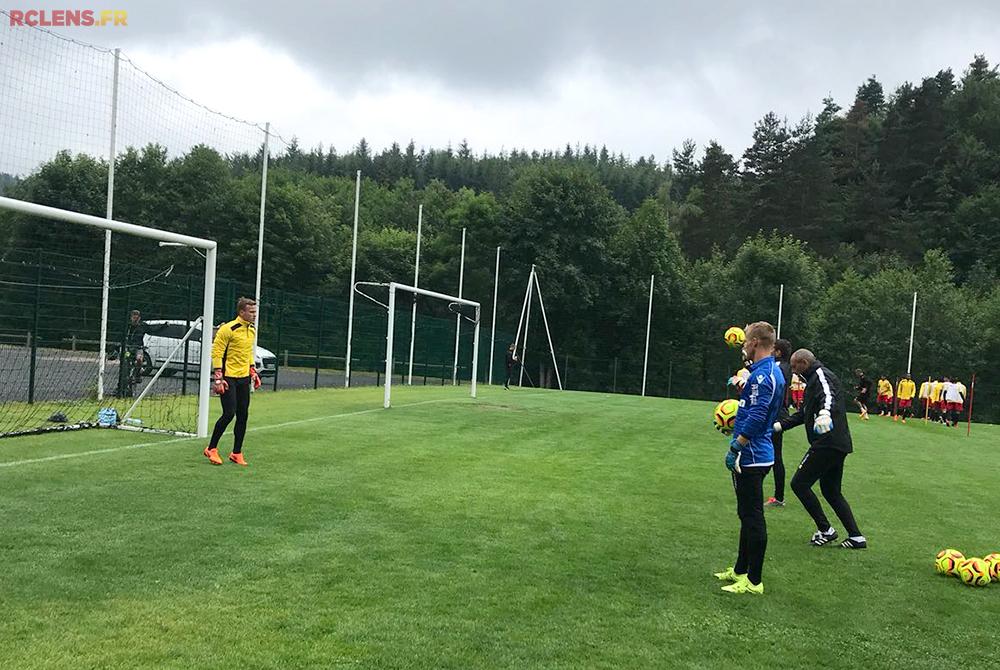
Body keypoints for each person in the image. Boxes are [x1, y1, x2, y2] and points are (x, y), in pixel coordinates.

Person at [714, 321, 785, 595]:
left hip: (752, 455)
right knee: (746, 514)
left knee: (753, 517)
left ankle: (754, 581)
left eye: (745, 341)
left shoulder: (764, 376)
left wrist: (737, 446)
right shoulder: (763, 372)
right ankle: (740, 570)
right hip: (754, 453)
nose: (743, 345)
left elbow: (757, 416)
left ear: (755, 343)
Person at [774, 349, 867, 549]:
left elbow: (828, 396)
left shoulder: (821, 375)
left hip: (827, 443)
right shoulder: (811, 381)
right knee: (831, 491)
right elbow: (804, 414)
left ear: (804, 363)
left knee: (799, 484)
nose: (793, 370)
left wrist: (825, 413)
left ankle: (826, 530)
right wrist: (778, 426)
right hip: (837, 444)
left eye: (795, 366)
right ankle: (856, 537)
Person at [204, 297, 261, 467]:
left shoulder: (251, 330)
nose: (254, 315)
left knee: (243, 415)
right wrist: (218, 377)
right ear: (241, 312)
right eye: (251, 312)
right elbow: (217, 352)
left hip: (243, 377)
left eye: (255, 312)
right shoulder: (228, 329)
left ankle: (236, 452)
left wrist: (252, 370)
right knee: (229, 413)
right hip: (228, 377)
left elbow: (248, 352)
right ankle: (211, 448)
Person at [765, 338, 792, 508]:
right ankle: (778, 496)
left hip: (776, 415)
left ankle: (779, 497)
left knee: (775, 455)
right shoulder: (785, 367)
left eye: (773, 349)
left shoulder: (779, 367)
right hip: (779, 414)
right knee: (774, 454)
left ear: (778, 352)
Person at [118, 309, 148, 397]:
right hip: (129, 348)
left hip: (138, 347)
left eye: (136, 317)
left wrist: (164, 326)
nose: (135, 319)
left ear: (139, 318)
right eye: (133, 317)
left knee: (139, 359)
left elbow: (153, 329)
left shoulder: (142, 326)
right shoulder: (128, 326)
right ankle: (123, 381)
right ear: (131, 317)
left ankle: (138, 374)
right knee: (125, 358)